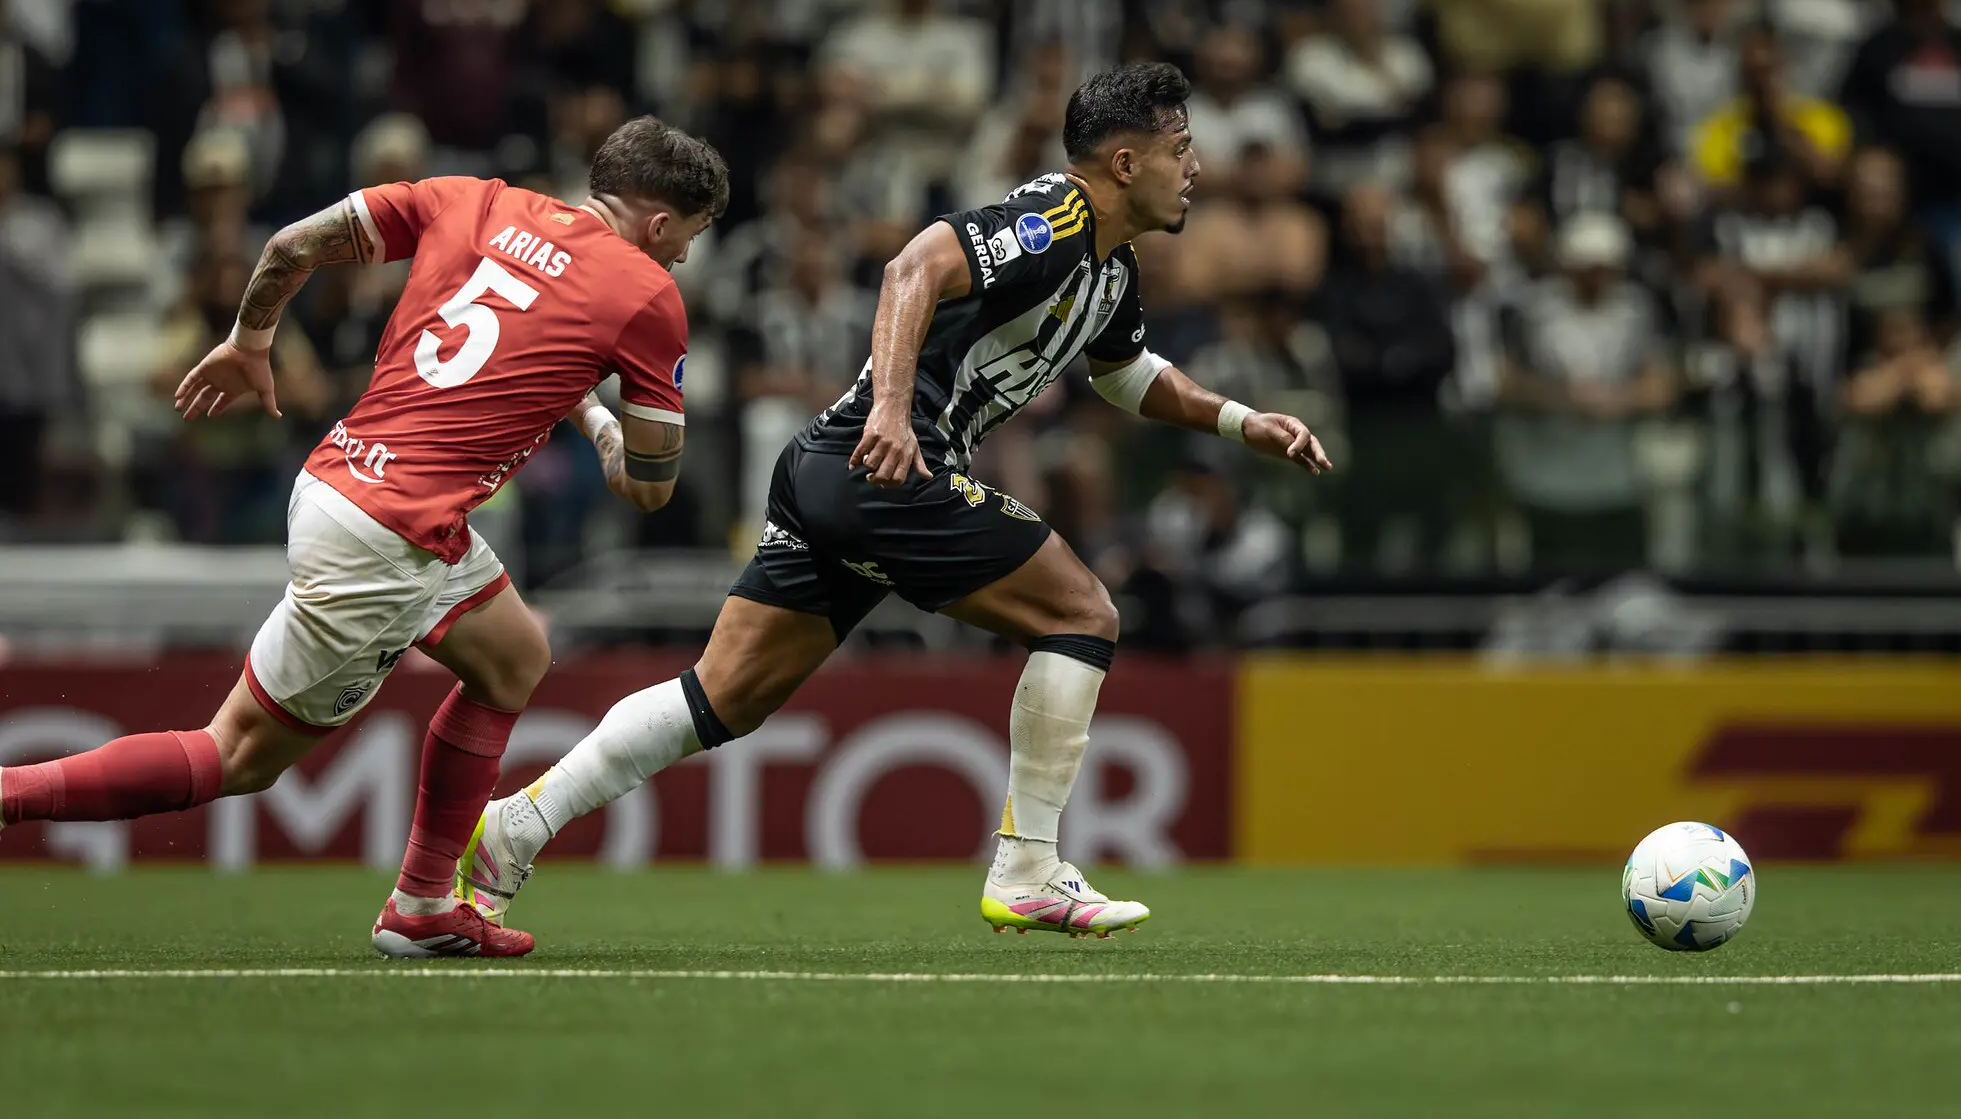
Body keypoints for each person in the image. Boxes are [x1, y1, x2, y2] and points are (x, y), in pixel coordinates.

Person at [454, 63, 1331, 937]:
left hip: (834, 468)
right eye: (1181, 148)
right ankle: (1029, 867)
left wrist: (1240, 420)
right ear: (1127, 163)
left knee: (722, 696)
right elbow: (913, 265)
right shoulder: (1052, 220)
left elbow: (1125, 373)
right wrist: (890, 408)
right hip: (886, 461)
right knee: (1084, 612)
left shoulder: (1111, 269)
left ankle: (514, 826)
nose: (1196, 166)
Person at [0, 117, 728, 960]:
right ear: (660, 223)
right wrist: (597, 419)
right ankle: (10, 791)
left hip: (343, 478)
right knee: (237, 754)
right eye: (688, 238)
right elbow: (649, 484)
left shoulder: (473, 199)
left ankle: (421, 904)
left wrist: (249, 340)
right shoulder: (646, 294)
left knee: (514, 657)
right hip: (389, 538)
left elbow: (290, 246)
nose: (684, 258)